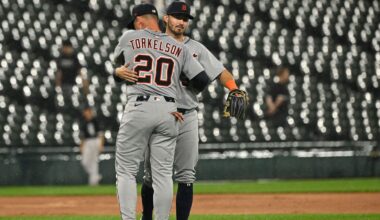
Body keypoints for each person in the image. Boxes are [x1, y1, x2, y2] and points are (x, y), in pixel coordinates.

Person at [115, 2, 242, 219]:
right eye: (176, 17)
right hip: (167, 112)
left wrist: (235, 89)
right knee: (152, 175)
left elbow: (221, 72)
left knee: (185, 175)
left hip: (185, 113)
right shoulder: (154, 44)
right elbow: (201, 80)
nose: (181, 22)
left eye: (185, 19)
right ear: (166, 19)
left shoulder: (195, 48)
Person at [79, 106, 104, 186]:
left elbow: (101, 134)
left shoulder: (96, 121)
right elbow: (82, 137)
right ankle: (95, 176)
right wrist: (81, 146)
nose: (85, 113)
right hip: (87, 142)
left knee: (94, 161)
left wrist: (101, 144)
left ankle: (93, 182)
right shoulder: (83, 122)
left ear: (90, 112)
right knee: (84, 162)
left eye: (87, 112)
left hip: (95, 140)